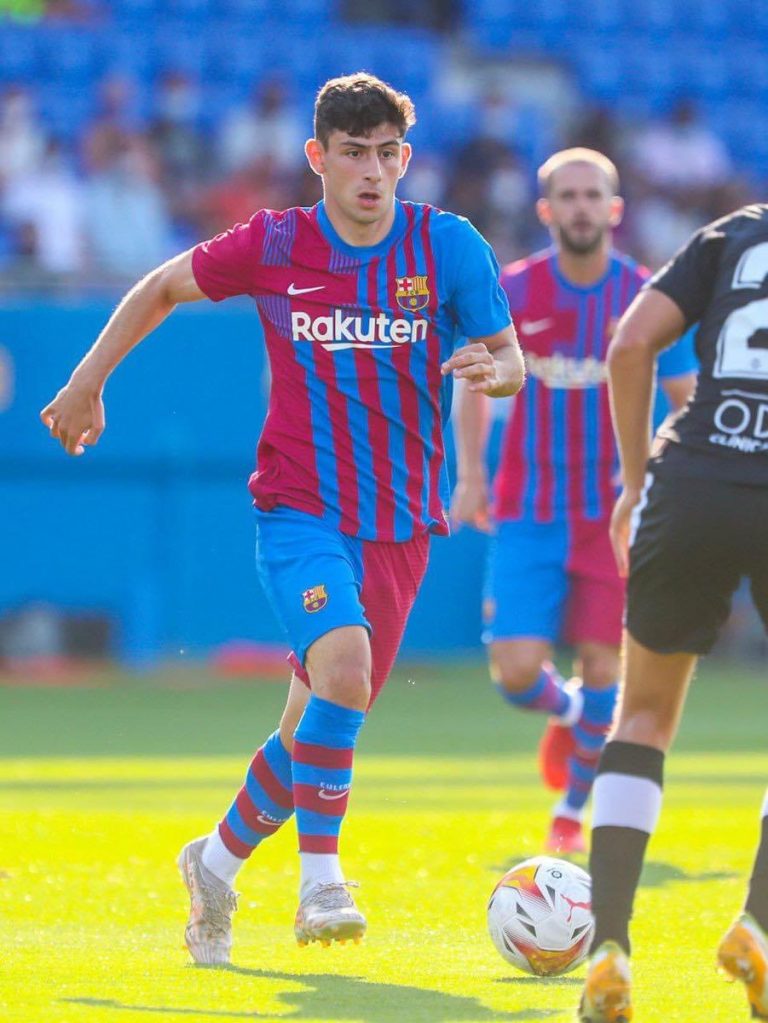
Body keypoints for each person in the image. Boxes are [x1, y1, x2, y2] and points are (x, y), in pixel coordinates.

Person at [40, 73, 525, 965]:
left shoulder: (448, 245)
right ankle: (321, 882)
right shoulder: (274, 243)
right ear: (318, 157)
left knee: (315, 723)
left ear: (405, 159)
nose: (373, 171)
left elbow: (510, 357)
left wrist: (498, 372)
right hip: (299, 505)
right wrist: (87, 378)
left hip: (400, 521)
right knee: (346, 668)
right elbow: (162, 285)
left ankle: (215, 864)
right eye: (354, 153)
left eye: (388, 154)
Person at [451, 148, 697, 856]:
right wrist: (470, 475)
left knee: (605, 668)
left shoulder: (648, 297)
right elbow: (472, 382)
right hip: (527, 509)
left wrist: (670, 488)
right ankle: (567, 714)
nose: (581, 207)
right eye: (569, 195)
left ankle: (570, 810)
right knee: (516, 671)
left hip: (613, 516)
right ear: (546, 209)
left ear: (614, 210)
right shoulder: (512, 291)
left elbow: (686, 399)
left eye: (594, 195)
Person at [578, 204, 768, 1022]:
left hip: (693, 482)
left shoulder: (735, 234)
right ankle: (758, 922)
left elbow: (629, 345)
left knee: (643, 715)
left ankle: (609, 947)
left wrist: (633, 483)